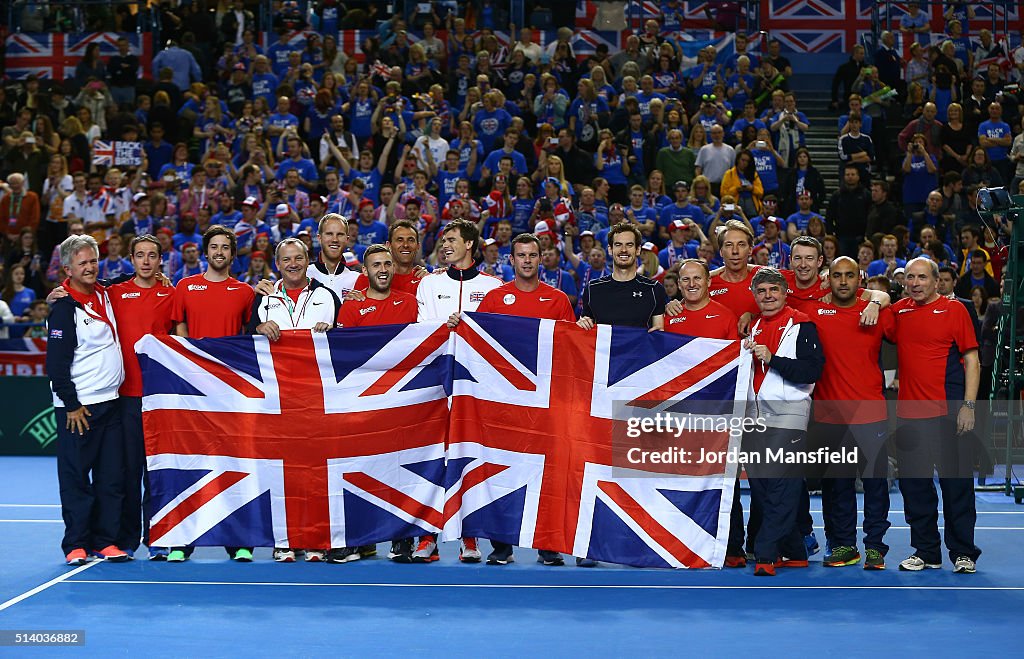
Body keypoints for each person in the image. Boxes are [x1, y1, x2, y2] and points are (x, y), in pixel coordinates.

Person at [476, 233, 576, 566]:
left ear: (542, 258)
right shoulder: (494, 298)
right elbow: (477, 343)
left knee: (546, 473)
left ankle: (547, 545)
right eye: (521, 255)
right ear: (512, 260)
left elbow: (573, 348)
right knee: (502, 471)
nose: (528, 261)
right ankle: (502, 546)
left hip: (547, 401)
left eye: (533, 255)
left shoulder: (558, 299)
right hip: (505, 401)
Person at [412, 218, 502, 563]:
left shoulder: (494, 287)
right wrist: (441, 327)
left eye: (451, 239)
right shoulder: (428, 285)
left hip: (476, 389)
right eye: (443, 239)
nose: (445, 244)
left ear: (469, 245)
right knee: (432, 459)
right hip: (435, 384)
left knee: (472, 459)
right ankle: (427, 537)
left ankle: (470, 537)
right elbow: (419, 333)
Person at [887, 258, 981, 574]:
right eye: (910, 277)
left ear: (936, 280)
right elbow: (871, 301)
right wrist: (876, 303)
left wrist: (968, 406)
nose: (915, 282)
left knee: (957, 488)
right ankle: (926, 551)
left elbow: (972, 361)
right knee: (915, 489)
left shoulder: (955, 311)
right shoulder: (898, 311)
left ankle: (963, 553)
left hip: (949, 412)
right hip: (910, 416)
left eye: (922, 277)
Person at [169, 226, 256, 563]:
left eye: (225, 247)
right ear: (206, 252)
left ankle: (238, 541)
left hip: (232, 394)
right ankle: (182, 540)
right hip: (195, 392)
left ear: (233, 254)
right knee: (191, 465)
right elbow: (179, 334)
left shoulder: (245, 292)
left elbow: (252, 338)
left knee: (234, 467)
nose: (219, 252)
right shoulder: (185, 287)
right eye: (214, 247)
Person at [48, 235, 129, 565]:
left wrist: (158, 277)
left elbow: (122, 279)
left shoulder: (104, 292)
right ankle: (76, 544)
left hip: (111, 402)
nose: (90, 267)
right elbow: (55, 364)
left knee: (111, 478)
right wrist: (71, 404)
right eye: (82, 263)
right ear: (68, 269)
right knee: (76, 479)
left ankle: (105, 541)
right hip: (79, 409)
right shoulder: (64, 309)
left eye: (93, 260)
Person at [809, 256, 893, 570]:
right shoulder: (813, 310)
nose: (843, 281)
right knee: (837, 485)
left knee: (875, 484)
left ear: (859, 278)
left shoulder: (877, 310)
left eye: (849, 276)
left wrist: (877, 300)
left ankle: (875, 547)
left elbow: (895, 314)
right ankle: (844, 545)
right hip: (830, 415)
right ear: (827, 278)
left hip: (871, 412)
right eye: (837, 276)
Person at [743, 267, 825, 576]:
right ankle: (794, 549)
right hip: (753, 413)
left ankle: (765, 553)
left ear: (784, 292)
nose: (768, 296)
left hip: (788, 412)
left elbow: (812, 371)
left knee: (782, 484)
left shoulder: (802, 324)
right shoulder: (751, 327)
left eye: (773, 290)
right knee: (762, 485)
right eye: (761, 291)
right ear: (754, 296)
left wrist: (772, 358)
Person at [577, 222, 668, 331]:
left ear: (638, 250)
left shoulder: (654, 289)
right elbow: (586, 328)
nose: (623, 250)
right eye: (618, 244)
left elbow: (659, 331)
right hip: (606, 348)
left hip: (640, 348)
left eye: (629, 245)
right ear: (610, 250)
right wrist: (582, 324)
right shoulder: (592, 288)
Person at [308, 213, 360, 300]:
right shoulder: (304, 274)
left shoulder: (357, 279)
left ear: (347, 239)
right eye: (329, 234)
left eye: (340, 234)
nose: (335, 239)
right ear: (319, 238)